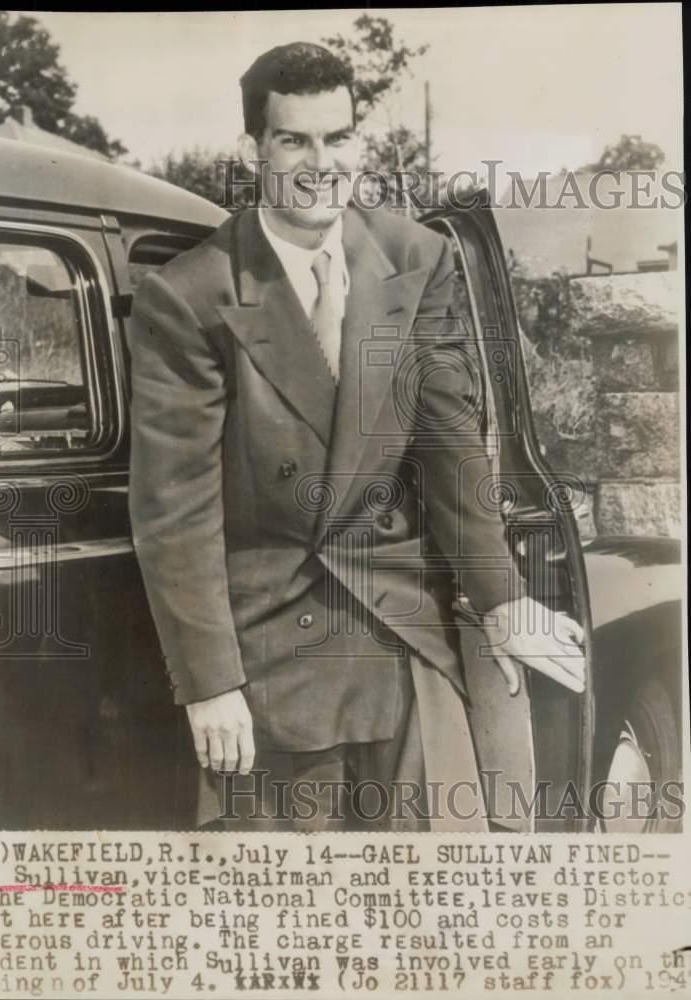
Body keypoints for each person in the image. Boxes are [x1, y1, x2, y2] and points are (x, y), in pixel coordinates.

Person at [128, 41, 585, 831]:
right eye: (293, 141)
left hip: (398, 632)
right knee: (290, 895)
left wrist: (503, 601)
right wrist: (210, 683)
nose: (321, 165)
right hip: (270, 652)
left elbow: (448, 446)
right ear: (253, 148)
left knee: (420, 878)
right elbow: (176, 512)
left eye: (337, 138)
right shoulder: (189, 294)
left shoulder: (416, 257)